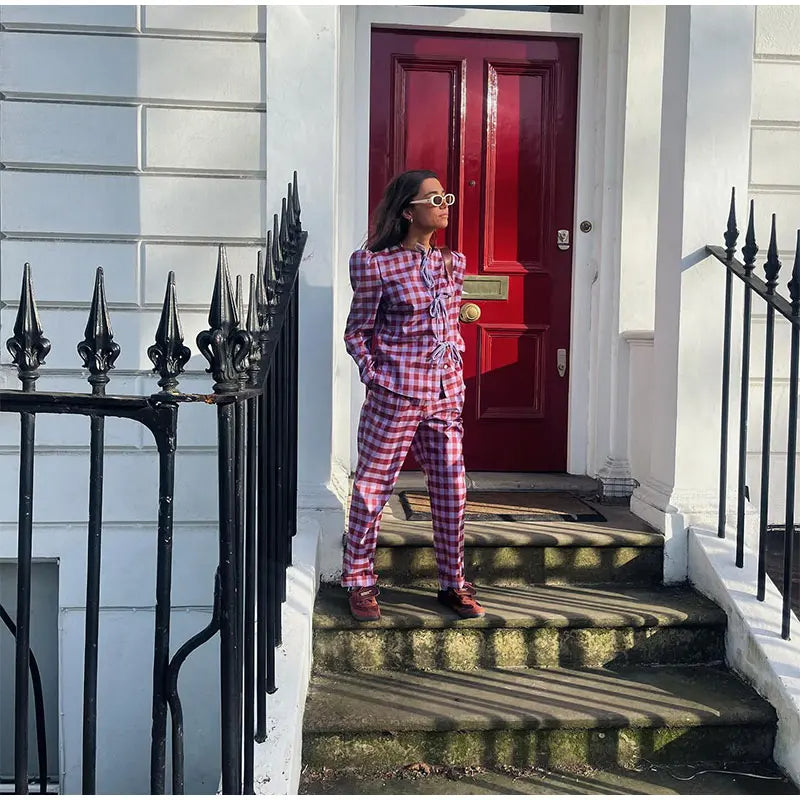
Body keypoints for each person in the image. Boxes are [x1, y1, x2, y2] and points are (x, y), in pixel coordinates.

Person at [342, 169, 485, 622]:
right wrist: (376, 376)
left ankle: (453, 582)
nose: (445, 205)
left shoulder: (453, 262)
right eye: (435, 198)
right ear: (408, 211)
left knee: (451, 488)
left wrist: (455, 373)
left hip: (444, 393)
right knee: (372, 489)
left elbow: (448, 326)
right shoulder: (374, 264)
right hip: (396, 393)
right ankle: (360, 581)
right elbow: (357, 332)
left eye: (447, 197)